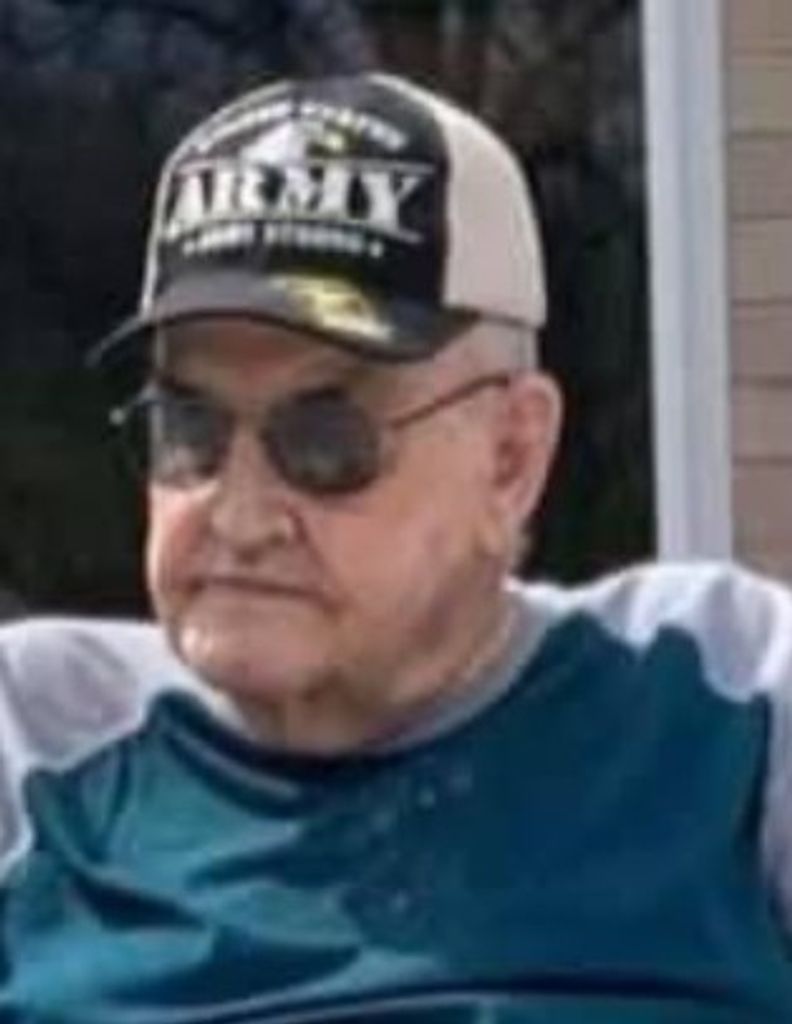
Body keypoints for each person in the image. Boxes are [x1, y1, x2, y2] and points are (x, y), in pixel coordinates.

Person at [1, 72, 792, 1023]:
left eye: (325, 440)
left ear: (510, 458)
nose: (239, 514)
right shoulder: (35, 742)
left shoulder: (724, 697)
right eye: (190, 428)